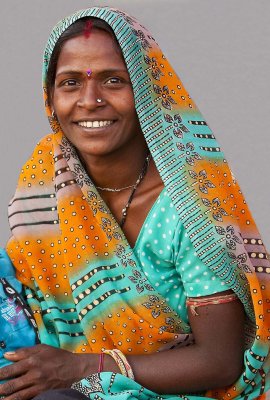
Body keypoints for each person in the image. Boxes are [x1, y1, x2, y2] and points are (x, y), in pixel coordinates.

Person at [0, 6, 269, 400]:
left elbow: (220, 360)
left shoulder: (190, 208)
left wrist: (80, 368)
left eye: (113, 80)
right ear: (51, 94)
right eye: (70, 82)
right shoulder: (48, 176)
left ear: (145, 88)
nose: (89, 101)